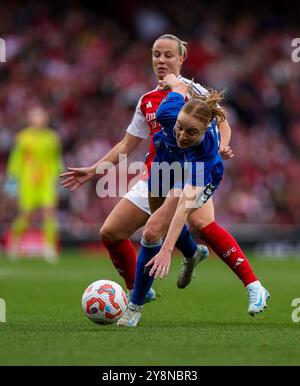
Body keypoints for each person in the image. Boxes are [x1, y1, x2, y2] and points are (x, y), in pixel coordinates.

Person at [60, 34, 258, 305]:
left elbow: (223, 122)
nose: (161, 60)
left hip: (192, 172)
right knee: (111, 233)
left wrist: (223, 146)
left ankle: (252, 285)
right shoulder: (147, 100)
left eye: (168, 55)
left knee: (199, 223)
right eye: (156, 54)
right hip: (157, 175)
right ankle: (145, 284)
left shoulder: (194, 91)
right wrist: (94, 170)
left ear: (181, 58)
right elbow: (126, 145)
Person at [117, 74, 270, 327]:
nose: (182, 135)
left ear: (204, 131)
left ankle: (134, 306)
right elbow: (177, 84)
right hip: (165, 164)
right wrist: (170, 79)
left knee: (154, 231)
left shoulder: (204, 153)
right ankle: (193, 252)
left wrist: (167, 251)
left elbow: (184, 207)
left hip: (193, 172)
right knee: (159, 228)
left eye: (192, 132)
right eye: (180, 127)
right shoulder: (169, 111)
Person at [5, 106, 62, 261]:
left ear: (46, 119)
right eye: (36, 116)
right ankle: (14, 244)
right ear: (30, 119)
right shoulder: (22, 138)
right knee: (26, 215)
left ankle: (48, 246)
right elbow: (16, 158)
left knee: (49, 212)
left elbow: (56, 160)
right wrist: (12, 178)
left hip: (46, 180)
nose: (39, 119)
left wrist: (59, 176)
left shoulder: (52, 138)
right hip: (28, 181)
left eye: (41, 116)